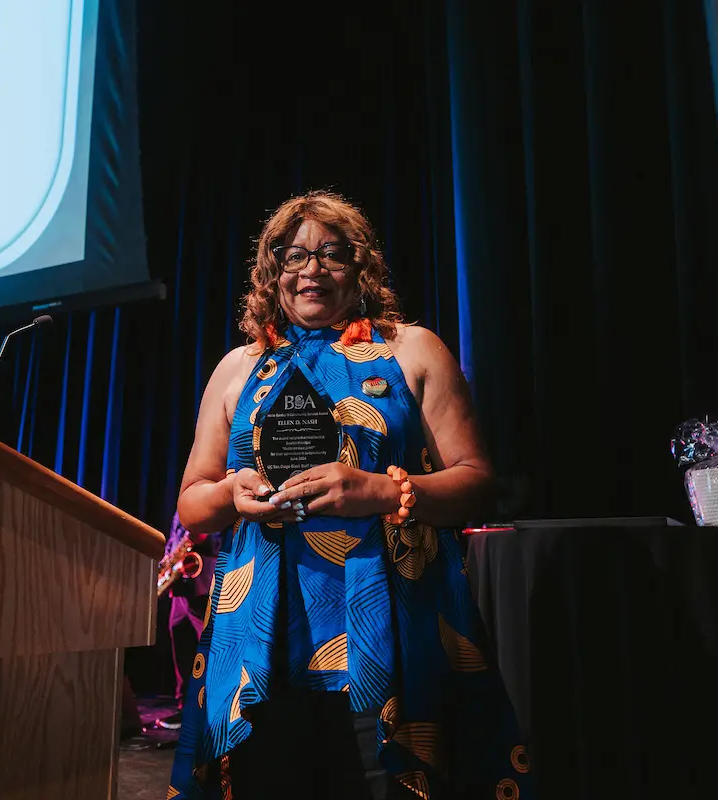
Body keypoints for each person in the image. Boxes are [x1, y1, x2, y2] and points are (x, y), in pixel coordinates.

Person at [169, 191, 532, 799]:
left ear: (360, 270)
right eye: (293, 256)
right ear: (271, 272)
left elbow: (475, 482)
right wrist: (234, 492)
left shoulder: (412, 349)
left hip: (388, 629)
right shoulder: (238, 367)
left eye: (332, 255)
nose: (311, 270)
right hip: (261, 640)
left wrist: (382, 490)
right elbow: (192, 500)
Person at [158, 513, 222, 730]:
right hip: (182, 585)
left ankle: (214, 711)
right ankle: (184, 708)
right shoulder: (182, 504)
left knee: (209, 648)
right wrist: (168, 561)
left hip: (205, 580)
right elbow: (175, 537)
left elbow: (215, 540)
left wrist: (201, 536)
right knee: (181, 642)